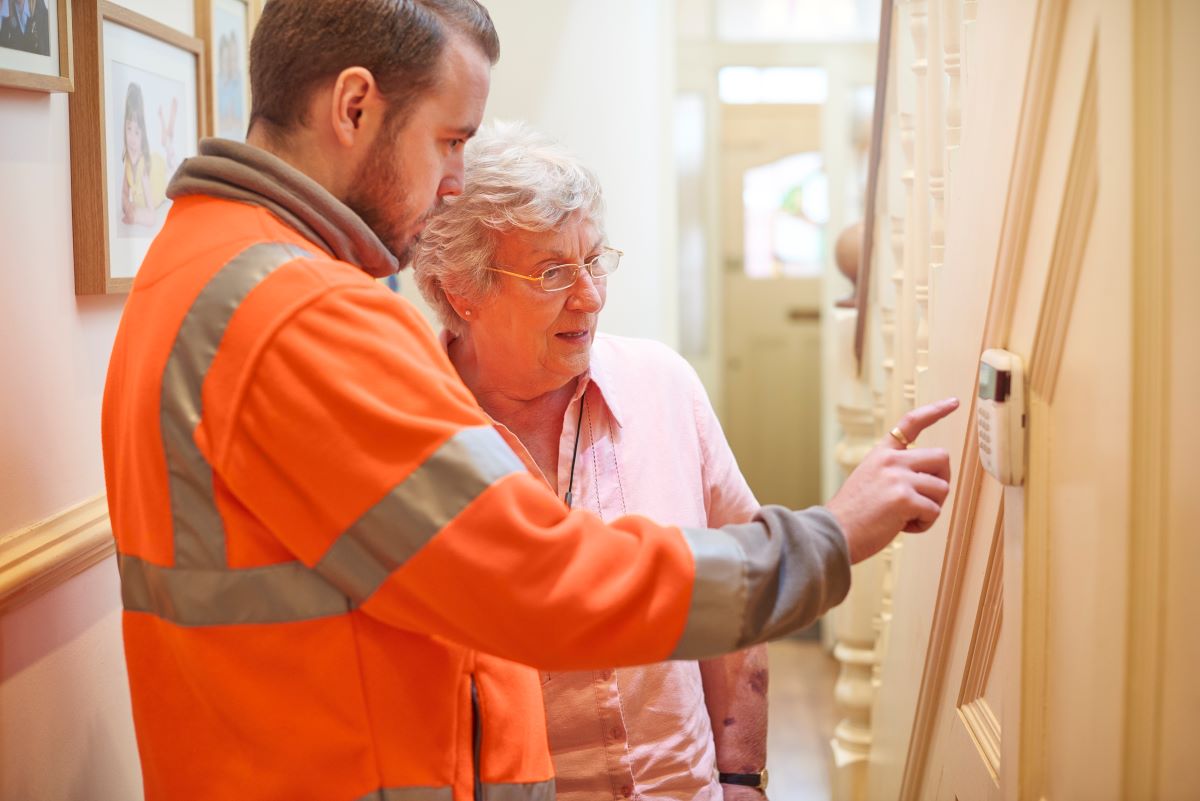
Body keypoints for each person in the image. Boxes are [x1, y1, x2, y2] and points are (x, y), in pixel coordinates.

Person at [100, 2, 956, 800]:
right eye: (449, 141)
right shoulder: (302, 309)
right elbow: (545, 582)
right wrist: (830, 536)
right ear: (354, 107)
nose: (452, 183)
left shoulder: (194, 263)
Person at [413, 122, 769, 800]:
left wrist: (741, 773)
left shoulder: (664, 385)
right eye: (552, 272)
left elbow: (742, 586)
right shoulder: (415, 433)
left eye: (595, 259)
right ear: (463, 289)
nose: (591, 295)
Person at [119, 83, 177, 228]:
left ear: (143, 136)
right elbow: (124, 194)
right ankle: (166, 129)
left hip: (162, 178)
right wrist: (127, 206)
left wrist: (135, 216)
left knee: (171, 166)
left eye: (137, 132)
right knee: (167, 147)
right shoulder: (127, 162)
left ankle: (168, 121)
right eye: (129, 129)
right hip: (158, 166)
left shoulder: (143, 167)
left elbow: (152, 218)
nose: (132, 137)